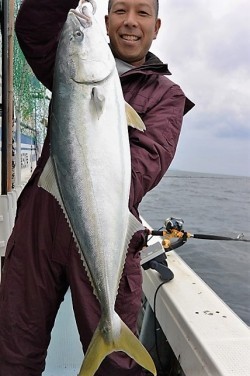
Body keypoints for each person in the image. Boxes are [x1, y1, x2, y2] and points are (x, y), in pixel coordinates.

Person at [0, 0, 194, 375]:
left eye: (142, 13)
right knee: (14, 348)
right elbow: (34, 29)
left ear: (157, 26)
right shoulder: (69, 64)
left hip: (110, 228)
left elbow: (143, 169)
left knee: (115, 367)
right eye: (120, 11)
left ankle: (112, 333)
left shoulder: (165, 95)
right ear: (105, 23)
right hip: (41, 224)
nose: (130, 23)